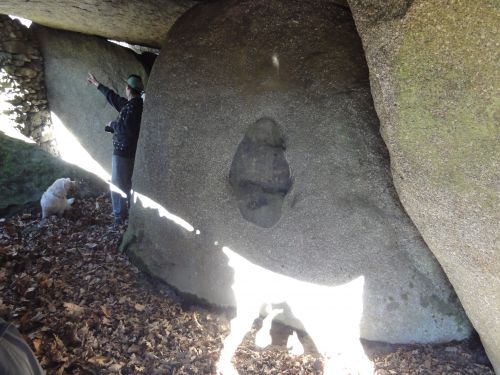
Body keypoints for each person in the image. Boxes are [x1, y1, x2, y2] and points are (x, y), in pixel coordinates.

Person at [86, 72, 144, 225]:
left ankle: (119, 217)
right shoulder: (134, 105)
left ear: (128, 89)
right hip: (129, 151)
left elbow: (126, 129)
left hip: (123, 153)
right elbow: (113, 98)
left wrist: (113, 125)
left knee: (117, 186)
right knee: (127, 184)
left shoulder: (134, 107)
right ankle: (130, 213)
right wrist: (97, 84)